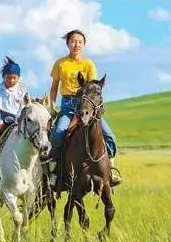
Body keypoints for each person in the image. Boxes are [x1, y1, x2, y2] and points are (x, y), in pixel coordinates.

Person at [45, 29, 122, 187]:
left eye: (80, 42)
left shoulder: (88, 64)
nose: (76, 44)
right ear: (68, 44)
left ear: (84, 45)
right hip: (67, 104)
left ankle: (110, 170)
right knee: (57, 135)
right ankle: (54, 172)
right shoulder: (60, 63)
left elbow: (93, 87)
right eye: (73, 41)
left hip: (88, 105)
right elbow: (54, 87)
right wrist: (52, 105)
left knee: (109, 136)